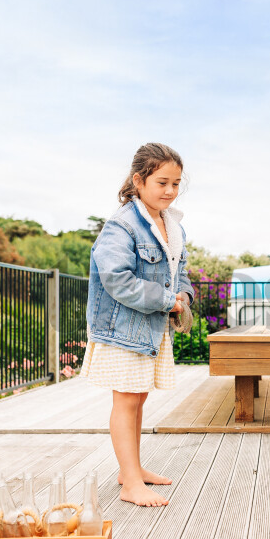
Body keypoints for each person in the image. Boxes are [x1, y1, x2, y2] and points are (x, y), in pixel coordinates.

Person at [79, 143, 194, 506]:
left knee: (138, 399)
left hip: (149, 327)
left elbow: (182, 273)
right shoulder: (122, 225)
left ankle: (132, 470)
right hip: (123, 329)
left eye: (176, 183)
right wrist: (166, 300)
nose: (170, 191)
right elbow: (116, 279)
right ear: (138, 180)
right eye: (162, 182)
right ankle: (130, 483)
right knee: (126, 402)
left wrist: (184, 299)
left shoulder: (172, 225)